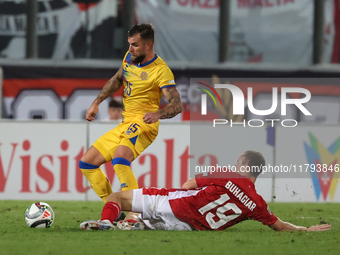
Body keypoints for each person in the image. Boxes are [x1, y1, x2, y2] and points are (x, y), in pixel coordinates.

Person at [79, 151, 331, 232]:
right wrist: (304, 229)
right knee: (141, 221)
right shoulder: (257, 204)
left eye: (238, 162)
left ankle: (105, 223)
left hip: (175, 205)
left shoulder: (229, 174)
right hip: (188, 228)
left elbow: (189, 185)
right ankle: (136, 223)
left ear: (244, 166)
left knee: (117, 198)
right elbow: (278, 225)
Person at [79, 23, 182, 205]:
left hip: (144, 123)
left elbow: (177, 104)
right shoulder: (130, 57)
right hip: (126, 123)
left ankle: (135, 213)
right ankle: (113, 207)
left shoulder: (161, 70)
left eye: (135, 44)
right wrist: (97, 103)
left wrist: (158, 114)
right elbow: (118, 79)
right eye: (129, 44)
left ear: (148, 46)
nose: (130, 48)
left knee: (120, 160)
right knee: (87, 163)